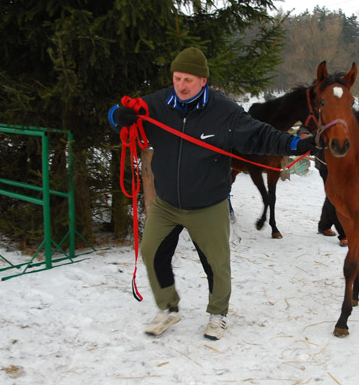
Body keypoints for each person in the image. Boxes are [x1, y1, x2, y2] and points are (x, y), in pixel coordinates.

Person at [109, 47, 316, 340]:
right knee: (151, 251)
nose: (181, 85)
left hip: (208, 204)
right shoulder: (156, 104)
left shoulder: (224, 111)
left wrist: (296, 145)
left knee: (216, 264)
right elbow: (120, 115)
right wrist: (118, 115)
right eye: (177, 78)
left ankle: (218, 315)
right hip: (167, 202)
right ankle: (168, 308)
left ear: (203, 81)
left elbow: (259, 135)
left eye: (189, 80)